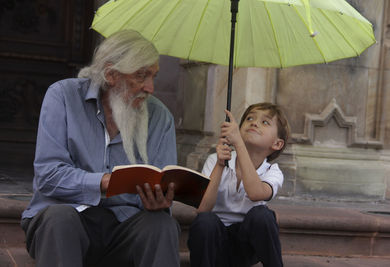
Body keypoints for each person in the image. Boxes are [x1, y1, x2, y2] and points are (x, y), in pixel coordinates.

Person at [20, 30, 181, 267]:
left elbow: (161, 181)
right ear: (111, 74)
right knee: (59, 218)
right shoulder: (63, 96)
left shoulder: (161, 117)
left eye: (153, 76)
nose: (150, 88)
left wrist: (158, 201)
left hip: (124, 225)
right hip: (67, 220)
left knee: (162, 225)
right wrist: (104, 181)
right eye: (141, 75)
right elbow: (48, 175)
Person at [188, 103, 290, 267]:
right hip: (214, 242)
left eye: (265, 122)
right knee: (205, 221)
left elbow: (255, 193)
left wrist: (238, 144)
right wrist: (220, 165)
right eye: (249, 118)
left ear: (277, 144)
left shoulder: (273, 171)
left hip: (247, 245)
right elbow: (202, 208)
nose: (254, 123)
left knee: (263, 215)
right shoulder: (216, 159)